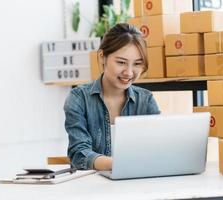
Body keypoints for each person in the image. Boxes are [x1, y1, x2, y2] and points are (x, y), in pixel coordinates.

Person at [63, 23, 161, 171]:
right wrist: (119, 165)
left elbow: (159, 145)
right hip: (92, 187)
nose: (129, 73)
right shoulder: (79, 98)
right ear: (103, 57)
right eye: (121, 62)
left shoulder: (145, 100)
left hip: (136, 182)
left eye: (137, 64)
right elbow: (79, 153)